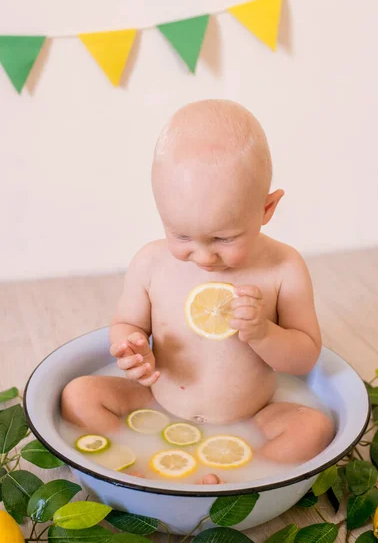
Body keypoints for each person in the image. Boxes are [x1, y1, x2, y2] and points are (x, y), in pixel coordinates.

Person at [61, 100, 335, 484]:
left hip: (253, 414)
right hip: (156, 402)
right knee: (77, 396)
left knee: (314, 428)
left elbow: (305, 357)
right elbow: (125, 322)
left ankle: (242, 472)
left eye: (224, 237)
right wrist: (131, 348)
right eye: (181, 234)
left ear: (267, 208)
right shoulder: (151, 262)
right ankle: (131, 460)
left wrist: (263, 333)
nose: (203, 255)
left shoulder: (283, 267)